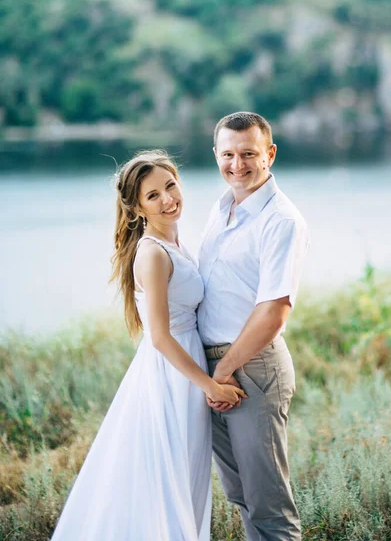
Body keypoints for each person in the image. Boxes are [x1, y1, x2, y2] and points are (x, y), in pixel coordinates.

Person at [51, 150, 245, 541]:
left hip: (185, 368)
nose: (168, 199)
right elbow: (158, 336)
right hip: (172, 377)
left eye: (170, 186)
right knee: (168, 478)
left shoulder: (173, 243)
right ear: (137, 208)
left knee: (183, 475)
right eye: (153, 196)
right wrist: (210, 385)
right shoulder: (153, 254)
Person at [197, 112, 310, 541]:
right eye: (228, 154)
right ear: (216, 155)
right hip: (215, 370)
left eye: (249, 154)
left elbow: (274, 310)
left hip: (251, 370)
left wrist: (223, 372)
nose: (237, 164)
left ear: (270, 155)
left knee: (269, 507)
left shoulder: (281, 220)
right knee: (242, 496)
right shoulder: (223, 207)